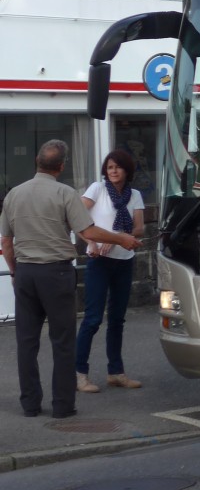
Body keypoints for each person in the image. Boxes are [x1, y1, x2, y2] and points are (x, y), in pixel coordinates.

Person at [0, 140, 140, 419]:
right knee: (62, 341)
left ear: (37, 162)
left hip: (26, 272)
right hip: (56, 272)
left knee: (26, 342)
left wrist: (15, 271)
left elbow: (6, 241)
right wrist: (121, 238)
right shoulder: (64, 192)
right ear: (62, 166)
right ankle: (62, 406)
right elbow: (88, 231)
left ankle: (30, 404)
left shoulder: (14, 194)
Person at [75, 149, 147, 393]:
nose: (113, 171)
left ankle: (116, 372)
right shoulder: (97, 189)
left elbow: (139, 229)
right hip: (99, 261)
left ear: (127, 170)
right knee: (93, 319)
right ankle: (79, 374)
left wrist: (118, 238)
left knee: (117, 319)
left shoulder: (134, 195)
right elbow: (77, 217)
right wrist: (92, 242)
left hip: (123, 260)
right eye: (109, 167)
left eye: (117, 167)